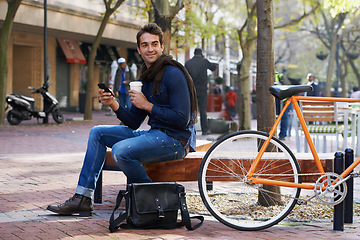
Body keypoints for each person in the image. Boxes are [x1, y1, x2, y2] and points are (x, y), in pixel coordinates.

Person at [47, 23, 198, 217]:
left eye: (154, 44)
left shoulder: (173, 73)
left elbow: (182, 119)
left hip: (176, 141)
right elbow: (134, 121)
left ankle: (153, 200)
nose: (149, 49)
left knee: (121, 151)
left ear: (162, 47)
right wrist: (114, 104)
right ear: (139, 49)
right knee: (98, 133)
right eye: (145, 45)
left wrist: (147, 105)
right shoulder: (147, 77)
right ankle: (83, 198)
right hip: (156, 134)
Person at [185, 48, 216, 135]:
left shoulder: (188, 63)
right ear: (201, 54)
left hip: (191, 90)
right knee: (202, 110)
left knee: (190, 110)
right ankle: (205, 130)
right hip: (202, 90)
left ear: (194, 53)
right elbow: (213, 68)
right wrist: (204, 59)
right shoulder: (204, 61)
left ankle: (188, 130)